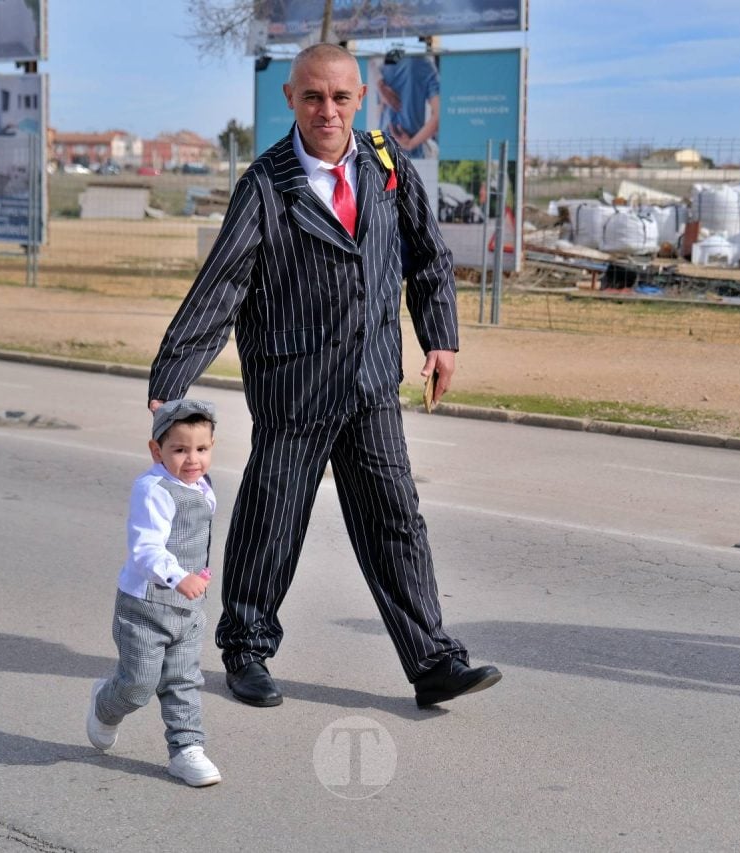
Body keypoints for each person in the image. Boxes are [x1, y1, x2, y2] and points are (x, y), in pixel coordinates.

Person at [147, 42, 501, 710]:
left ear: (361, 98)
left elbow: (427, 257)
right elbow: (222, 287)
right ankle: (246, 648)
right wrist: (171, 381)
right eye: (312, 97)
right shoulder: (266, 184)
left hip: (371, 384)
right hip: (295, 388)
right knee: (272, 520)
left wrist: (441, 340)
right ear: (290, 99)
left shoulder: (386, 165)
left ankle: (431, 660)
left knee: (397, 519)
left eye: (340, 97)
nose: (327, 110)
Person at [85, 399, 222, 787]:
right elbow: (146, 550)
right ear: (156, 450)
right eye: (179, 450)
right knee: (138, 686)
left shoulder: (200, 484)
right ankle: (106, 704)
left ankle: (186, 750)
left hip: (188, 607)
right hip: (145, 606)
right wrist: (178, 576)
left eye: (202, 449)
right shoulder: (152, 489)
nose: (192, 459)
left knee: (184, 679)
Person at [376, 54, 440, 159]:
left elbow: (380, 111)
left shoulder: (384, 64)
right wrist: (410, 144)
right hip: (410, 154)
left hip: (381, 151)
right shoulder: (424, 63)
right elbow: (440, 115)